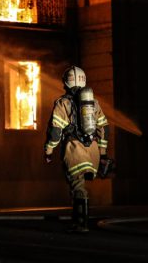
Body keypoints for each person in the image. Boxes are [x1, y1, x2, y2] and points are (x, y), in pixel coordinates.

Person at [44, 65, 112, 233]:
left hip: (74, 151)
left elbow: (55, 131)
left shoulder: (63, 103)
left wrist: (48, 151)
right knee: (80, 186)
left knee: (77, 187)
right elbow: (104, 128)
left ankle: (81, 224)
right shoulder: (94, 103)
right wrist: (102, 154)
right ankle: (80, 220)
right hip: (93, 152)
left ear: (65, 83)